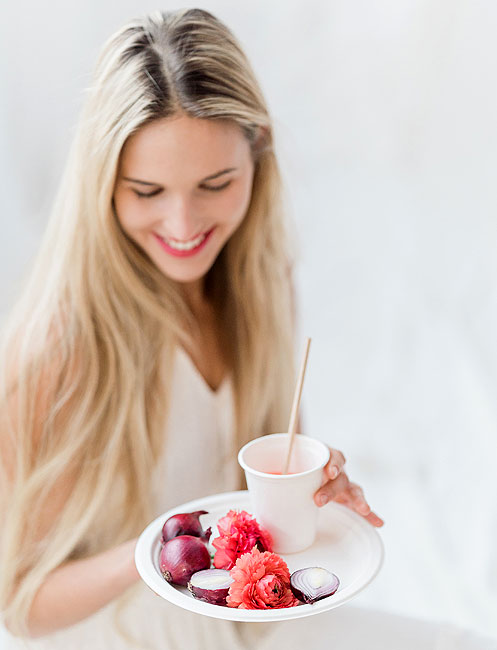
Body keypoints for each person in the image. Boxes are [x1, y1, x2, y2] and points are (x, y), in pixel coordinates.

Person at [0, 9, 493, 650]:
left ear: (257, 151)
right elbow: (20, 605)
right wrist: (161, 546)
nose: (182, 223)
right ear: (103, 187)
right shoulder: (63, 346)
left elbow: (267, 489)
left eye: (215, 183)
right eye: (147, 191)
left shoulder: (264, 285)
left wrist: (306, 489)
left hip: (251, 619)